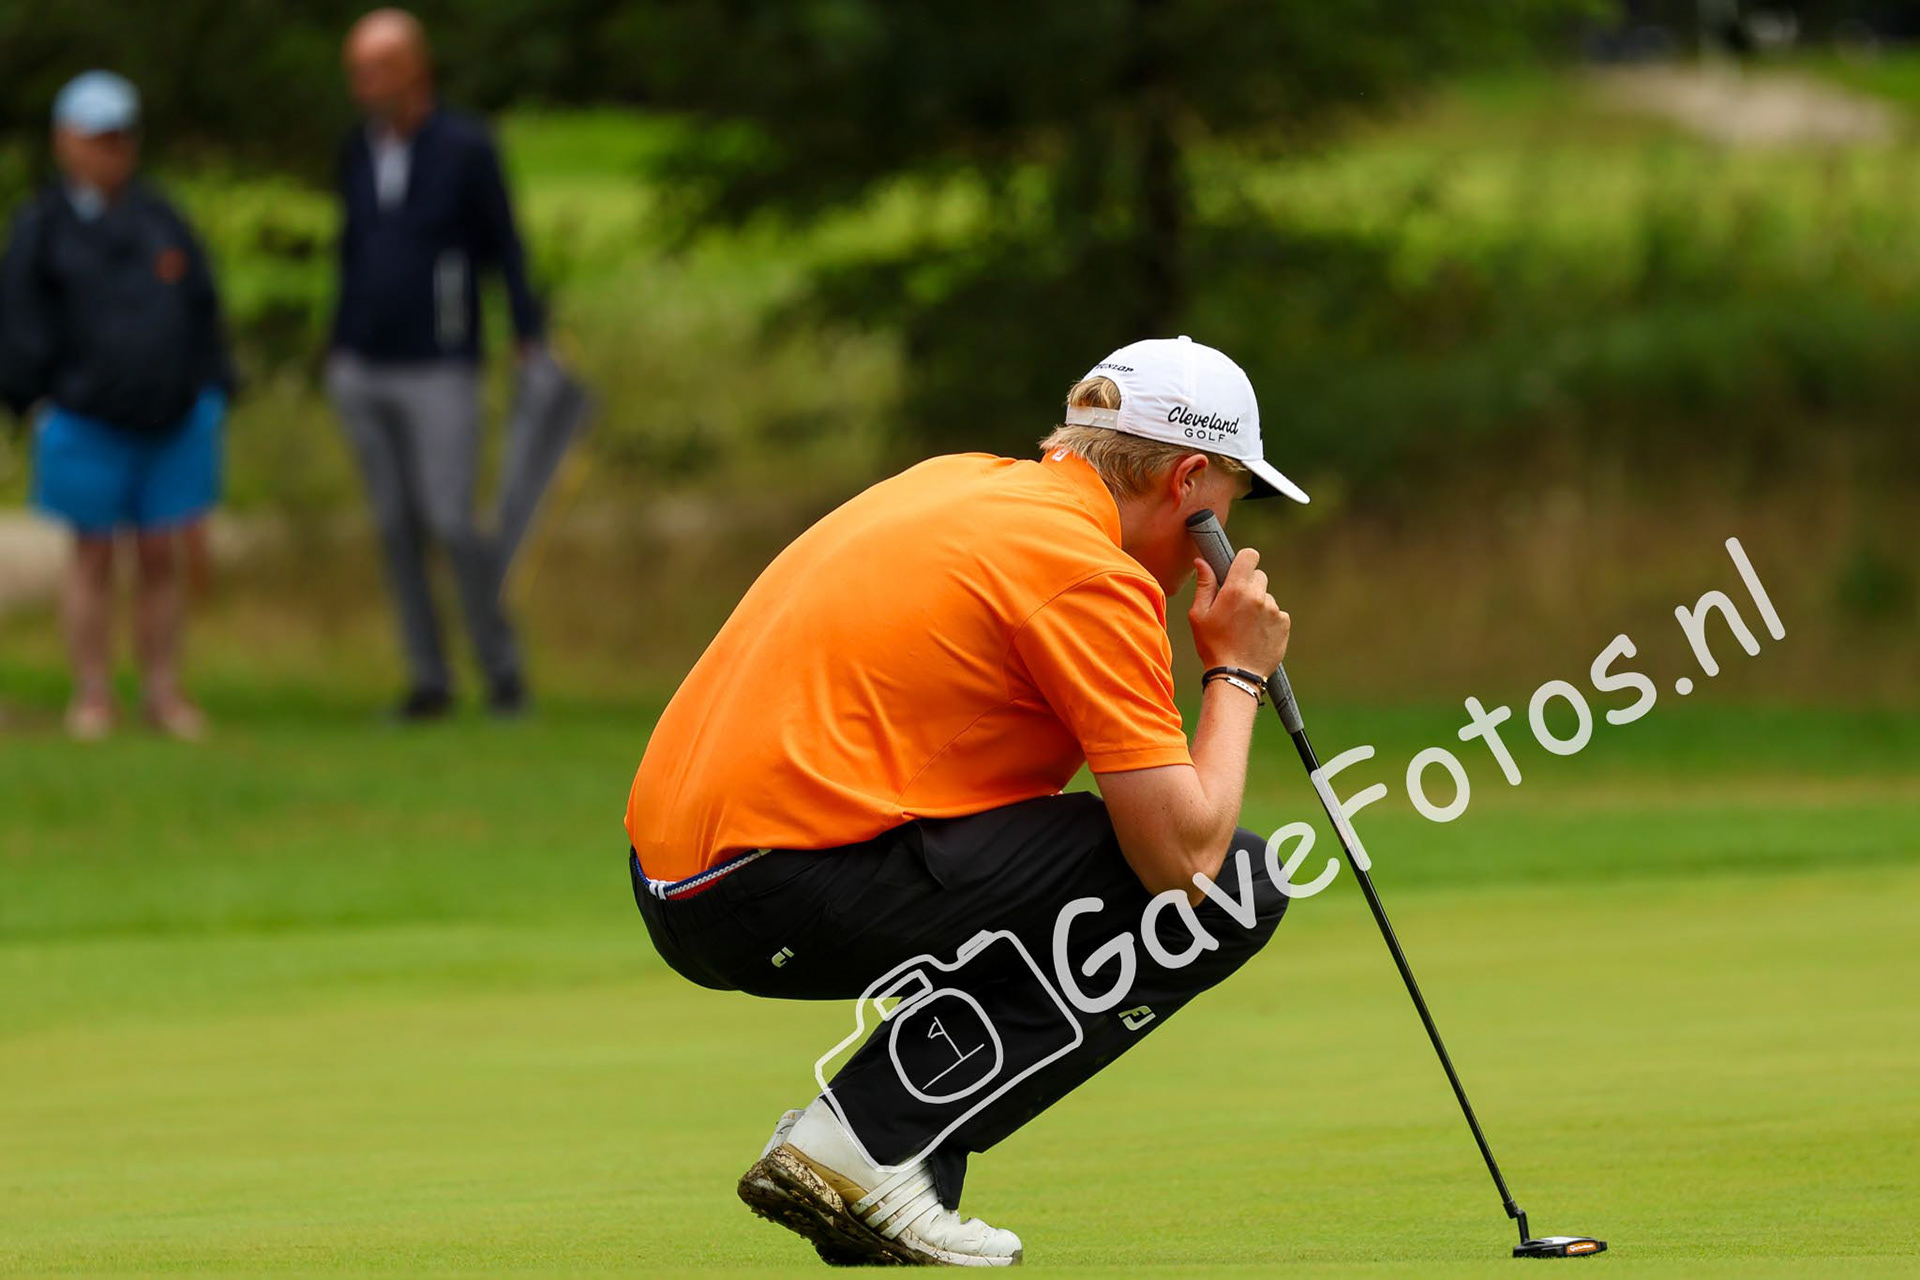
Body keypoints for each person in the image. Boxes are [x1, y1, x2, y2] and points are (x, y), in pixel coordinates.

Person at [624, 336, 1308, 1266]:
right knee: (1235, 886)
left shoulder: (956, 482)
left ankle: (889, 1174)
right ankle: (865, 1139)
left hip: (682, 880)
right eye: (1234, 501)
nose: (1231, 527)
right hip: (769, 884)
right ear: (1188, 481)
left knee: (1073, 889)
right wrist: (1235, 673)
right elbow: (1183, 863)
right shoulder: (1089, 573)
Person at [0, 71, 233, 741]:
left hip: (172, 417)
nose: (114, 150)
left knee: (161, 554)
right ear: (66, 142)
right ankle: (93, 693)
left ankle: (162, 692)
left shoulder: (161, 216)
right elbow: (19, 322)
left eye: (122, 137)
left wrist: (211, 389)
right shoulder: (43, 225)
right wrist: (36, 399)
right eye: (99, 138)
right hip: (84, 419)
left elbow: (202, 307)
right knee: (93, 555)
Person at [326, 7, 540, 720]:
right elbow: (354, 248)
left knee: (451, 518)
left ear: (415, 69)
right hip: (364, 361)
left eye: (377, 69)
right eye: (356, 71)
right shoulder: (357, 151)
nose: (364, 85)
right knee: (394, 525)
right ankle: (429, 678)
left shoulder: (463, 147)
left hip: (440, 363)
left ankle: (501, 669)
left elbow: (504, 244)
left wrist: (526, 329)